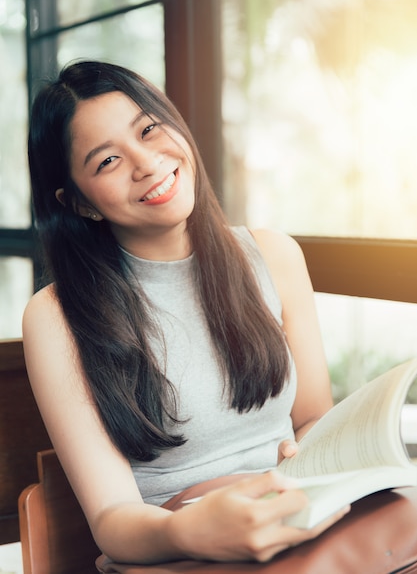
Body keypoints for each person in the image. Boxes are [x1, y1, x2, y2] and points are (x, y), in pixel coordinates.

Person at [22, 60, 349, 566]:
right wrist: (191, 531)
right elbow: (113, 519)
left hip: (294, 534)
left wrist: (306, 468)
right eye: (107, 161)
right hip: (174, 555)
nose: (148, 163)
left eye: (149, 129)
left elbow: (312, 421)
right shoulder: (55, 316)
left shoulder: (273, 254)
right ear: (80, 203)